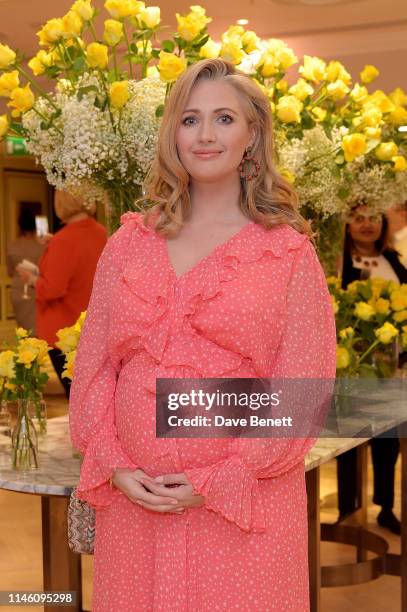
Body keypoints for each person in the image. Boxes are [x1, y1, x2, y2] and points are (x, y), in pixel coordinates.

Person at [69, 59, 336, 611]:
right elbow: (96, 365)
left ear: (252, 134)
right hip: (135, 505)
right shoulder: (129, 243)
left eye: (223, 118)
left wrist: (223, 475)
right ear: (173, 133)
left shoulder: (286, 252)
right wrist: (113, 460)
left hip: (242, 509)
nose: (206, 135)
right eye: (190, 119)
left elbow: (302, 389)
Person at [337, 204, 407, 534]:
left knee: (387, 439)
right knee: (349, 440)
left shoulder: (393, 260)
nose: (366, 225)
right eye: (358, 219)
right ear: (348, 226)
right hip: (353, 366)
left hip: (390, 366)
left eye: (372, 219)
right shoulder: (338, 262)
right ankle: (347, 509)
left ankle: (385, 507)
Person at [17, 191, 107, 399]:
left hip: (64, 332)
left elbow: (52, 289)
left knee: (76, 399)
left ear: (61, 203)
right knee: (93, 397)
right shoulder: (102, 232)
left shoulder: (64, 240)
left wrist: (31, 280)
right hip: (93, 326)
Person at [6, 209, 45, 333]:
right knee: (38, 329)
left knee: (23, 331)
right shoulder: (42, 246)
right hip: (36, 288)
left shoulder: (12, 246)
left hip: (17, 290)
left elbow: (10, 271)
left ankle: (25, 351)